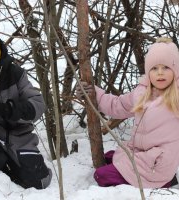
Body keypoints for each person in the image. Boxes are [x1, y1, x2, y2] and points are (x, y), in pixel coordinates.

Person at [76, 37, 179, 188]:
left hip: (158, 163)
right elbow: (118, 106)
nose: (160, 73)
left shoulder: (176, 96)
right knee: (107, 157)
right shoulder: (142, 92)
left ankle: (164, 181)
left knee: (101, 175)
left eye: (166, 67)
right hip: (140, 153)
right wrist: (94, 95)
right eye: (154, 68)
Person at [0, 24, 52, 189]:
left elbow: (38, 103)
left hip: (19, 137)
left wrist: (11, 109)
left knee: (39, 182)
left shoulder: (14, 73)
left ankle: (15, 171)